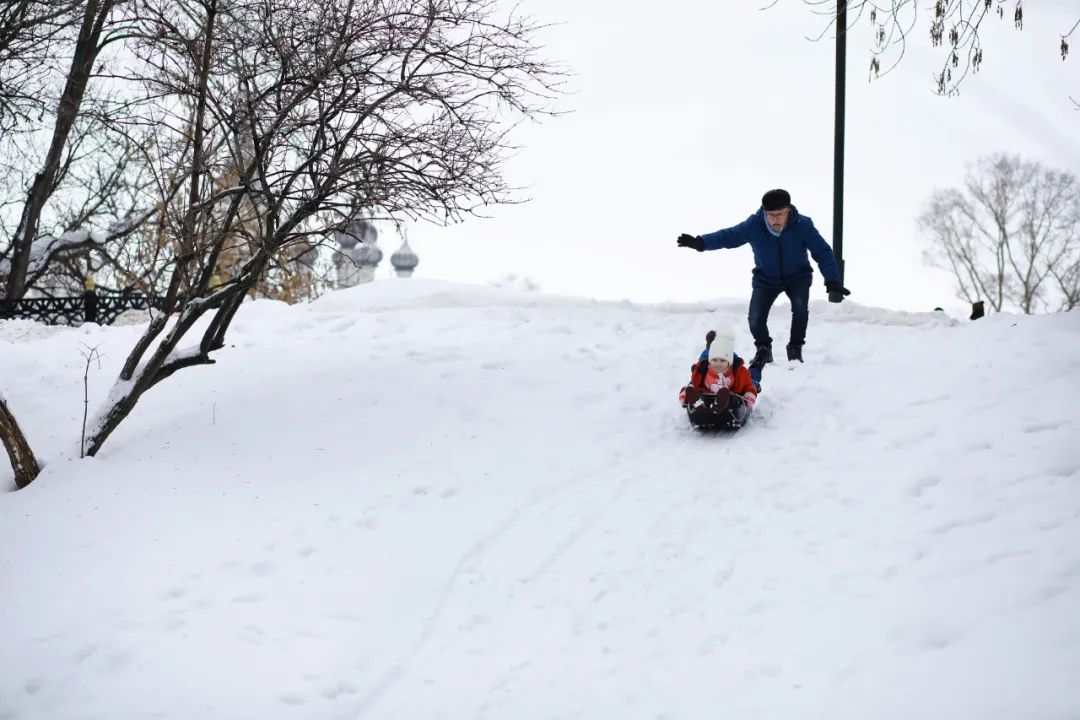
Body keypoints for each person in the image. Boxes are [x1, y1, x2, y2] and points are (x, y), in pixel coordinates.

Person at [676, 188, 851, 367]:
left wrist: (832, 280)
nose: (775, 219)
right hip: (766, 279)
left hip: (798, 277)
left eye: (780, 214)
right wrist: (701, 243)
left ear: (788, 210)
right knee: (755, 318)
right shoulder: (754, 225)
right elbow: (729, 236)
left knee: (800, 309)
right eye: (771, 214)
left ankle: (795, 348)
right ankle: (764, 349)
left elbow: (822, 252)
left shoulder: (803, 225)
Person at [679, 329, 758, 426]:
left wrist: (748, 396)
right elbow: (693, 383)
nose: (718, 364)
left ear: (730, 362)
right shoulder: (704, 369)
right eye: (714, 360)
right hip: (707, 399)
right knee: (698, 394)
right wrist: (685, 394)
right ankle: (699, 406)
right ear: (709, 360)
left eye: (722, 361)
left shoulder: (738, 372)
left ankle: (720, 405)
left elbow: (748, 385)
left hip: (730, 402)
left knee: (731, 398)